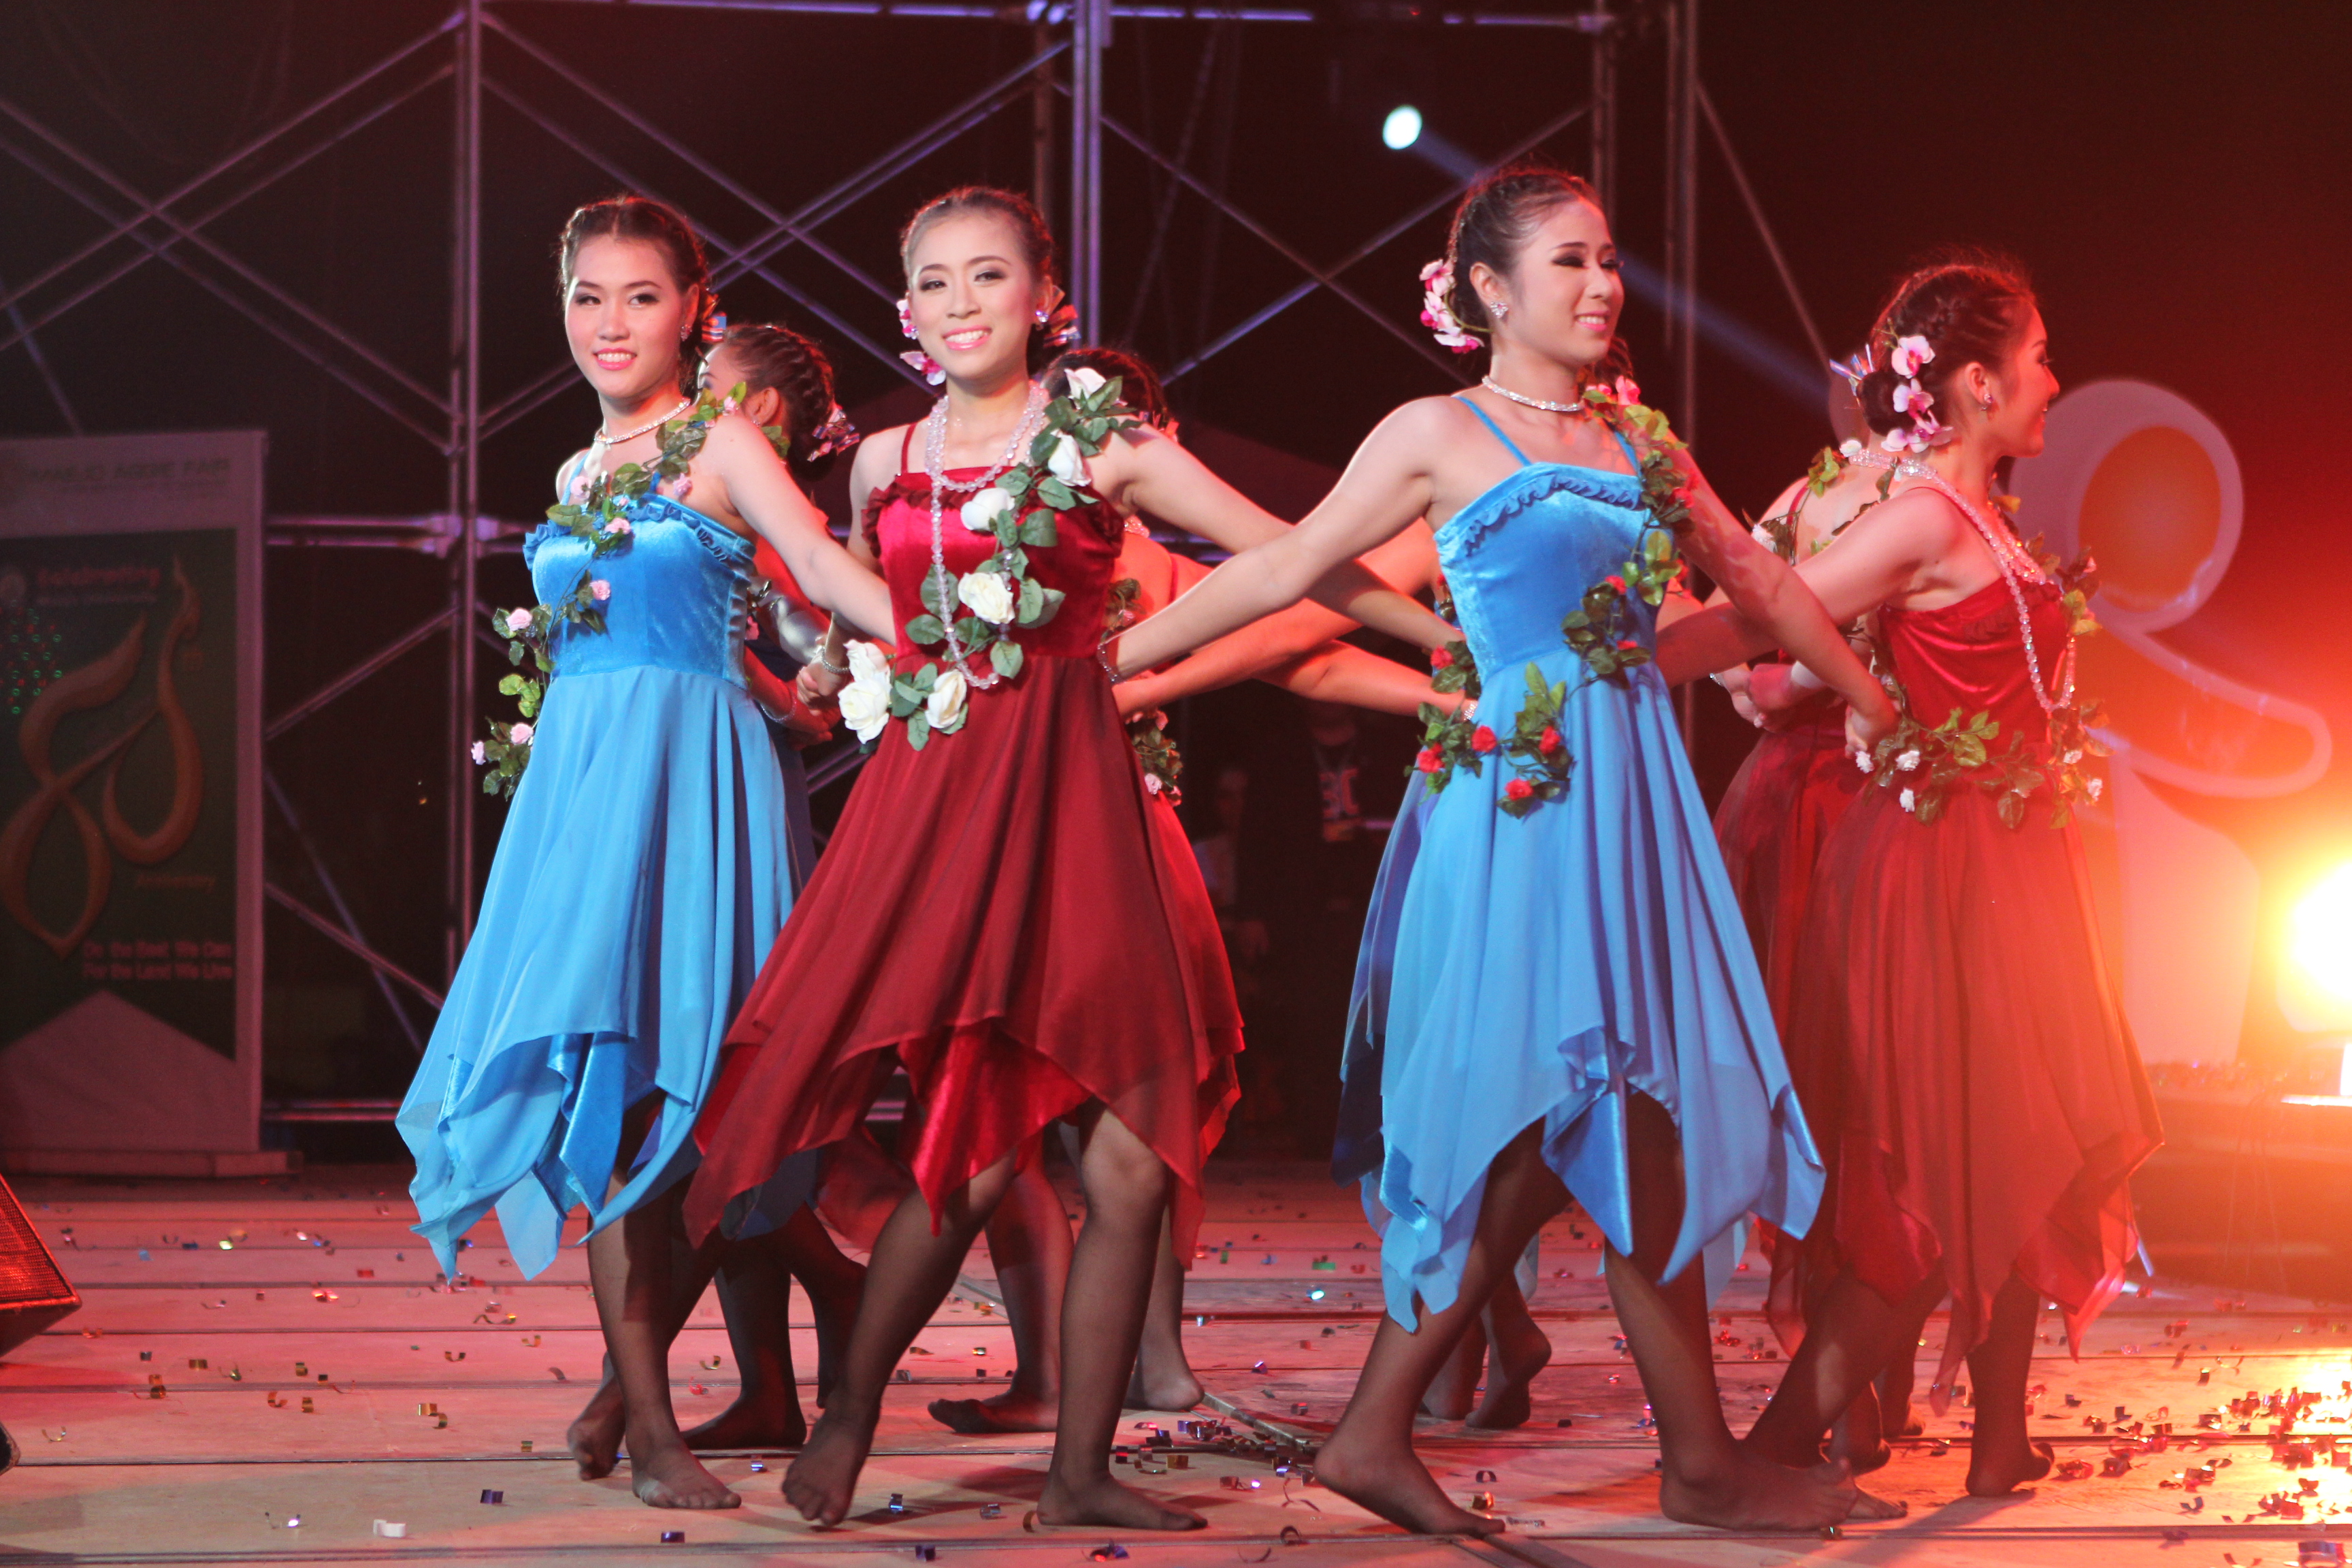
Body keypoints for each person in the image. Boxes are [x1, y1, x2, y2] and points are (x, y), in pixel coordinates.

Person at [1109, 163, 1896, 1535]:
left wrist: (1875, 700)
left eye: (1610, 260)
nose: (1603, 285)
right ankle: (1387, 1431)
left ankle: (1697, 1459)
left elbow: (1757, 582)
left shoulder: (1639, 438)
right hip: (1524, 801)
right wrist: (1108, 665)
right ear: (1487, 288)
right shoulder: (1437, 431)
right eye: (1571, 261)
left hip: (1636, 795)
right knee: (1552, 1103)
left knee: (1647, 1113)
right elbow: (1286, 571)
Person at [682, 186, 1453, 1532]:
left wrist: (1439, 643)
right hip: (942, 818)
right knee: (969, 1150)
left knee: (1131, 1162)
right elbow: (855, 608)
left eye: (990, 275)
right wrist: (825, 674)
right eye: (935, 281)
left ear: (1047, 298)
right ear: (907, 309)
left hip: (1082, 814)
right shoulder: (884, 461)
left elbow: (1288, 560)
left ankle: (1080, 1468)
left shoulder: (1106, 444)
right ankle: (851, 1411)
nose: (962, 302)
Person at [396, 195, 898, 1510]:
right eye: (588, 297)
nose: (610, 323)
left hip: (704, 797)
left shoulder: (723, 440)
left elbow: (812, 564)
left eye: (641, 296)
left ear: (693, 311)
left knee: (714, 1105)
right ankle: (656, 1429)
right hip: (584, 804)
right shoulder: (577, 472)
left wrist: (932, 634)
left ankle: (685, 1379)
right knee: (612, 1108)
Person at [1659, 254, 2161, 1498]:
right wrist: (1610, 662)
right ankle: (1774, 1451)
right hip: (1937, 873)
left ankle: (1979, 1440)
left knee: (2017, 1150)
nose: (2055, 379)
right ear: (1979, 382)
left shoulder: (1982, 514)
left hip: (2009, 871)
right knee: (1939, 1184)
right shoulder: (1922, 517)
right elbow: (1768, 616)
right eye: (2039, 357)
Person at [924, 346, 1450, 1437]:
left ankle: (1151, 1359)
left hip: (1118, 843)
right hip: (998, 842)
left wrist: (1443, 698)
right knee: (999, 1114)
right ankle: (1050, 1369)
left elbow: (1301, 656)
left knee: (1134, 1109)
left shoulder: (1154, 565)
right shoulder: (983, 548)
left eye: (1110, 428)